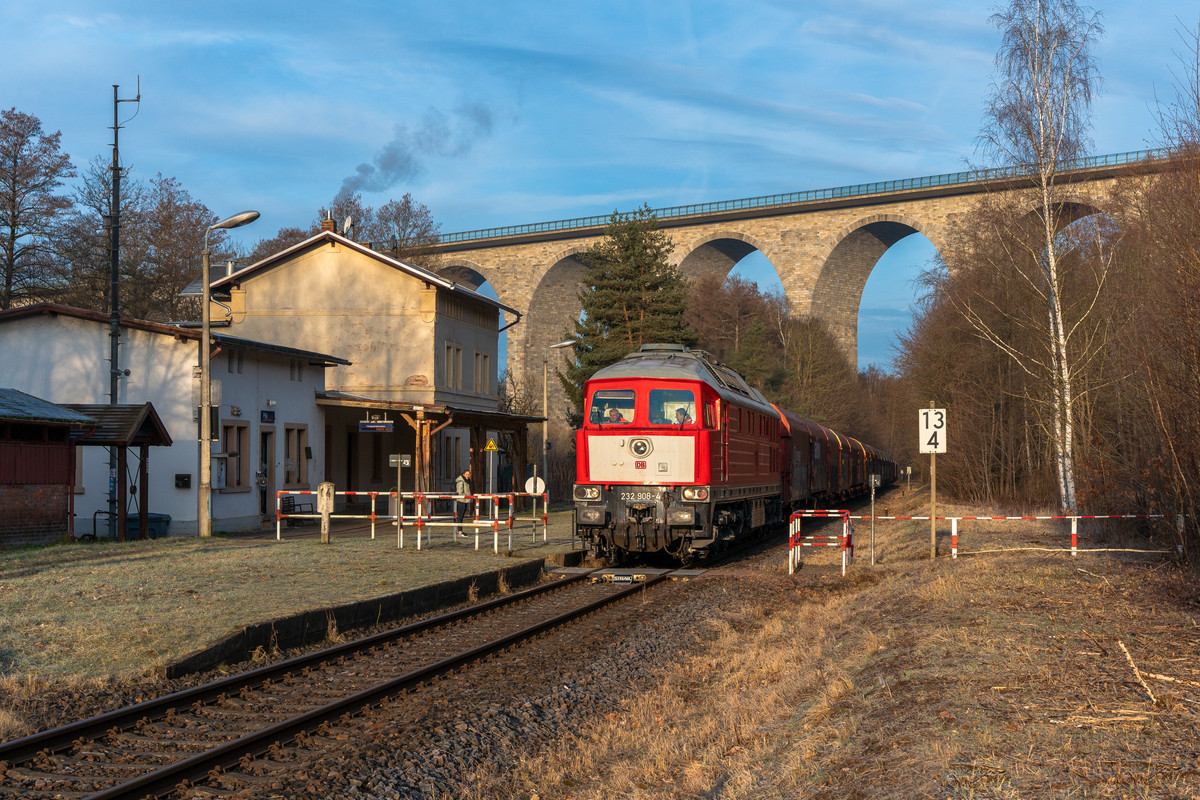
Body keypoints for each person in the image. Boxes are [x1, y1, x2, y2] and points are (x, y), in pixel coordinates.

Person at [454, 467, 473, 537]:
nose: (468, 475)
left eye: (469, 474)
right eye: (466, 474)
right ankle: (460, 531)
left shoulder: (467, 480)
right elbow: (459, 492)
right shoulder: (461, 481)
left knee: (462, 516)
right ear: (463, 474)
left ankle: (461, 531)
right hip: (461, 500)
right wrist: (467, 496)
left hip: (465, 500)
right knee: (460, 516)